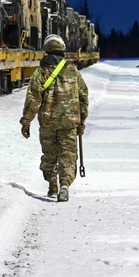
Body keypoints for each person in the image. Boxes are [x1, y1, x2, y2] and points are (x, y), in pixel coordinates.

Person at [19, 34, 89, 202]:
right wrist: (82, 121)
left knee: (49, 154)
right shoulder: (73, 71)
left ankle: (52, 186)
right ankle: (64, 184)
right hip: (69, 121)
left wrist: (26, 121)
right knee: (68, 153)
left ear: (46, 50)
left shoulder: (41, 71)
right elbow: (83, 97)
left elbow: (33, 98)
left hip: (48, 121)